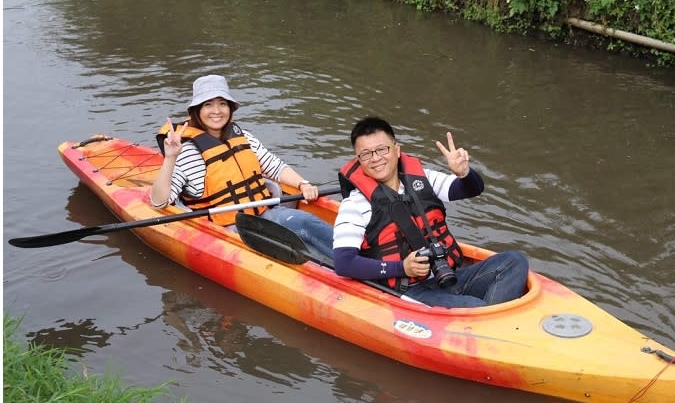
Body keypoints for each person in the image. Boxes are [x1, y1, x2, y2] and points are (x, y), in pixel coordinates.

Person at [333, 116, 529, 308]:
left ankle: (487, 317)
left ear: (396, 149)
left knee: (514, 261)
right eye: (366, 154)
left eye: (382, 149)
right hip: (408, 290)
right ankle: (485, 317)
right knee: (473, 306)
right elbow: (344, 263)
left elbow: (471, 189)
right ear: (358, 160)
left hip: (446, 275)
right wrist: (403, 267)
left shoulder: (422, 179)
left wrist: (464, 173)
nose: (376, 159)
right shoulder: (354, 205)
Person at [150, 74, 333, 259]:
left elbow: (275, 167)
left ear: (230, 107)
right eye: (208, 104)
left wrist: (303, 184)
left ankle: (352, 260)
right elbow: (159, 202)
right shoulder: (186, 151)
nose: (217, 111)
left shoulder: (243, 137)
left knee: (307, 222)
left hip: (264, 215)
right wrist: (170, 158)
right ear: (197, 110)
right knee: (277, 249)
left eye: (222, 103)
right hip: (225, 232)